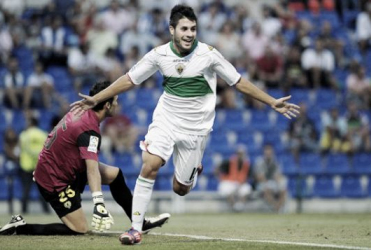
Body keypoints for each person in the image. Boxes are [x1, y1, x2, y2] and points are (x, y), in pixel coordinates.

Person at [70, 5, 300, 245]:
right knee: (150, 163)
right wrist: (98, 97)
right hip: (166, 120)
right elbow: (129, 79)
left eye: (193, 29)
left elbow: (238, 82)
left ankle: (193, 170)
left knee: (180, 188)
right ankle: (135, 229)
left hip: (196, 130)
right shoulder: (159, 54)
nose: (190, 33)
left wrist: (272, 101)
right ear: (172, 30)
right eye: (184, 29)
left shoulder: (208, 54)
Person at [0, 81, 170, 236]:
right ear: (108, 105)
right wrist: (99, 202)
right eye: (116, 101)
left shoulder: (82, 110)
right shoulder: (89, 131)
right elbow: (92, 169)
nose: (118, 105)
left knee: (115, 175)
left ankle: (139, 222)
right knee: (79, 229)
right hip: (54, 180)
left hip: (62, 168)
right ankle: (20, 227)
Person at [18, 116, 50, 214]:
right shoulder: (44, 134)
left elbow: (20, 149)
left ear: (30, 123)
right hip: (40, 165)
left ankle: (24, 211)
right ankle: (46, 211)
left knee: (26, 190)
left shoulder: (23, 135)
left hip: (26, 165)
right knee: (42, 190)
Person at [214, 144, 253, 212]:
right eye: (238, 154)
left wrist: (242, 182)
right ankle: (234, 207)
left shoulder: (247, 164)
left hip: (241, 183)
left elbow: (249, 177)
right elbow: (217, 170)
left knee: (246, 189)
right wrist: (220, 178)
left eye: (241, 154)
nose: (240, 155)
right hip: (230, 182)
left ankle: (240, 206)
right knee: (228, 190)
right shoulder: (228, 162)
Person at [254, 144, 287, 213]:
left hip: (273, 182)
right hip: (262, 183)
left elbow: (278, 175)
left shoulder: (275, 162)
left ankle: (279, 207)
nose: (268, 153)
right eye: (267, 151)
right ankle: (276, 206)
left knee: (283, 189)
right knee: (267, 189)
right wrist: (266, 183)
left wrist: (278, 182)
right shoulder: (259, 162)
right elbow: (259, 177)